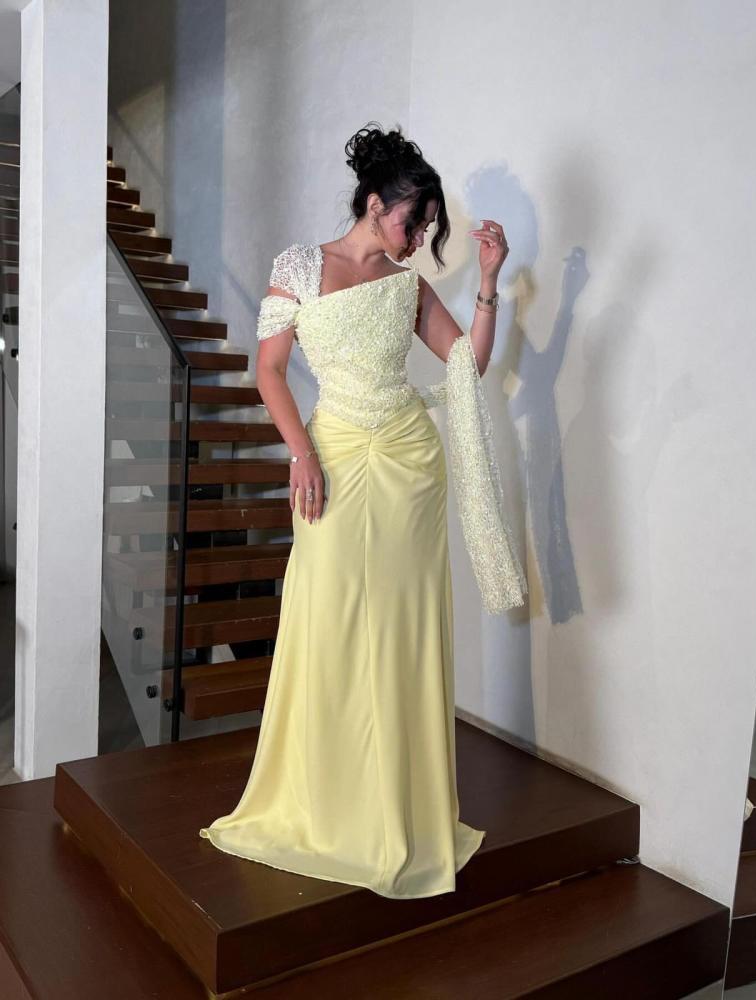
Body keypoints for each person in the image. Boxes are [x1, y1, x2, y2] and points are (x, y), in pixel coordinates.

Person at [199, 122, 527, 899]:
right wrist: (302, 453)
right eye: (414, 221)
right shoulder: (299, 267)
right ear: (376, 203)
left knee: (404, 626)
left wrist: (487, 282)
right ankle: (328, 803)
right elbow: (269, 370)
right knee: (330, 618)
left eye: (428, 227)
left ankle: (400, 809)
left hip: (410, 465)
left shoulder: (408, 287)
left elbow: (469, 364)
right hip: (336, 459)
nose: (418, 240)